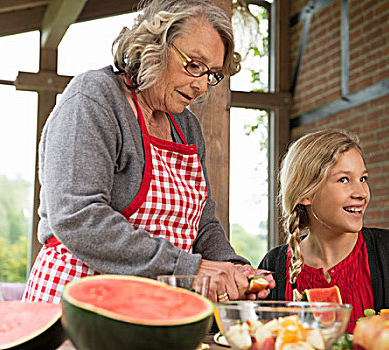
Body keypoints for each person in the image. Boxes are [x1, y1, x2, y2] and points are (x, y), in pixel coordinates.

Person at [22, 0, 274, 304]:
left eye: (211, 74)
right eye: (193, 65)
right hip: (76, 302)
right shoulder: (94, 98)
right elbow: (78, 216)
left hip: (149, 307)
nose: (201, 86)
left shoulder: (186, 127)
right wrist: (190, 270)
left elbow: (202, 225)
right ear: (154, 45)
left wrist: (233, 269)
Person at [258, 129, 389, 333]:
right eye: (344, 179)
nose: (362, 193)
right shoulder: (274, 265)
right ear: (306, 193)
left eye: (363, 179)